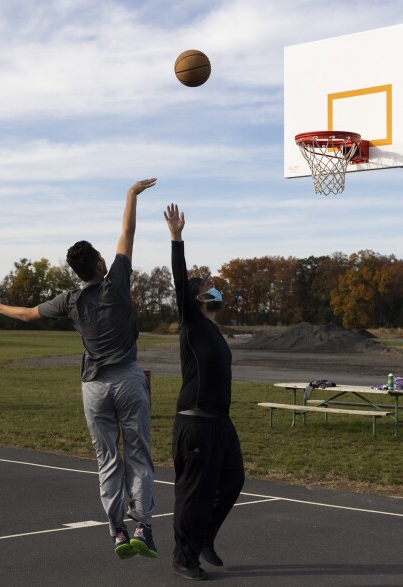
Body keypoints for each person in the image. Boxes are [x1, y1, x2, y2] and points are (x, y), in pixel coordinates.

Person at [0, 178, 159, 561]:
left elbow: (26, 315)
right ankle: (143, 526)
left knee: (107, 459)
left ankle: (118, 533)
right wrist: (130, 195)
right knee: (138, 454)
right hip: (126, 378)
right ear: (100, 263)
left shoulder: (69, 301)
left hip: (94, 389)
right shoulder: (117, 283)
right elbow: (128, 230)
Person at [163, 203, 245, 581]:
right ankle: (184, 557)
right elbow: (181, 280)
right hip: (194, 423)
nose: (214, 286)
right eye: (206, 284)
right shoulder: (192, 324)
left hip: (220, 424)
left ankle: (205, 538)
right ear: (197, 298)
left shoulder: (214, 329)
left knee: (232, 481)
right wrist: (177, 238)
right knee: (193, 495)